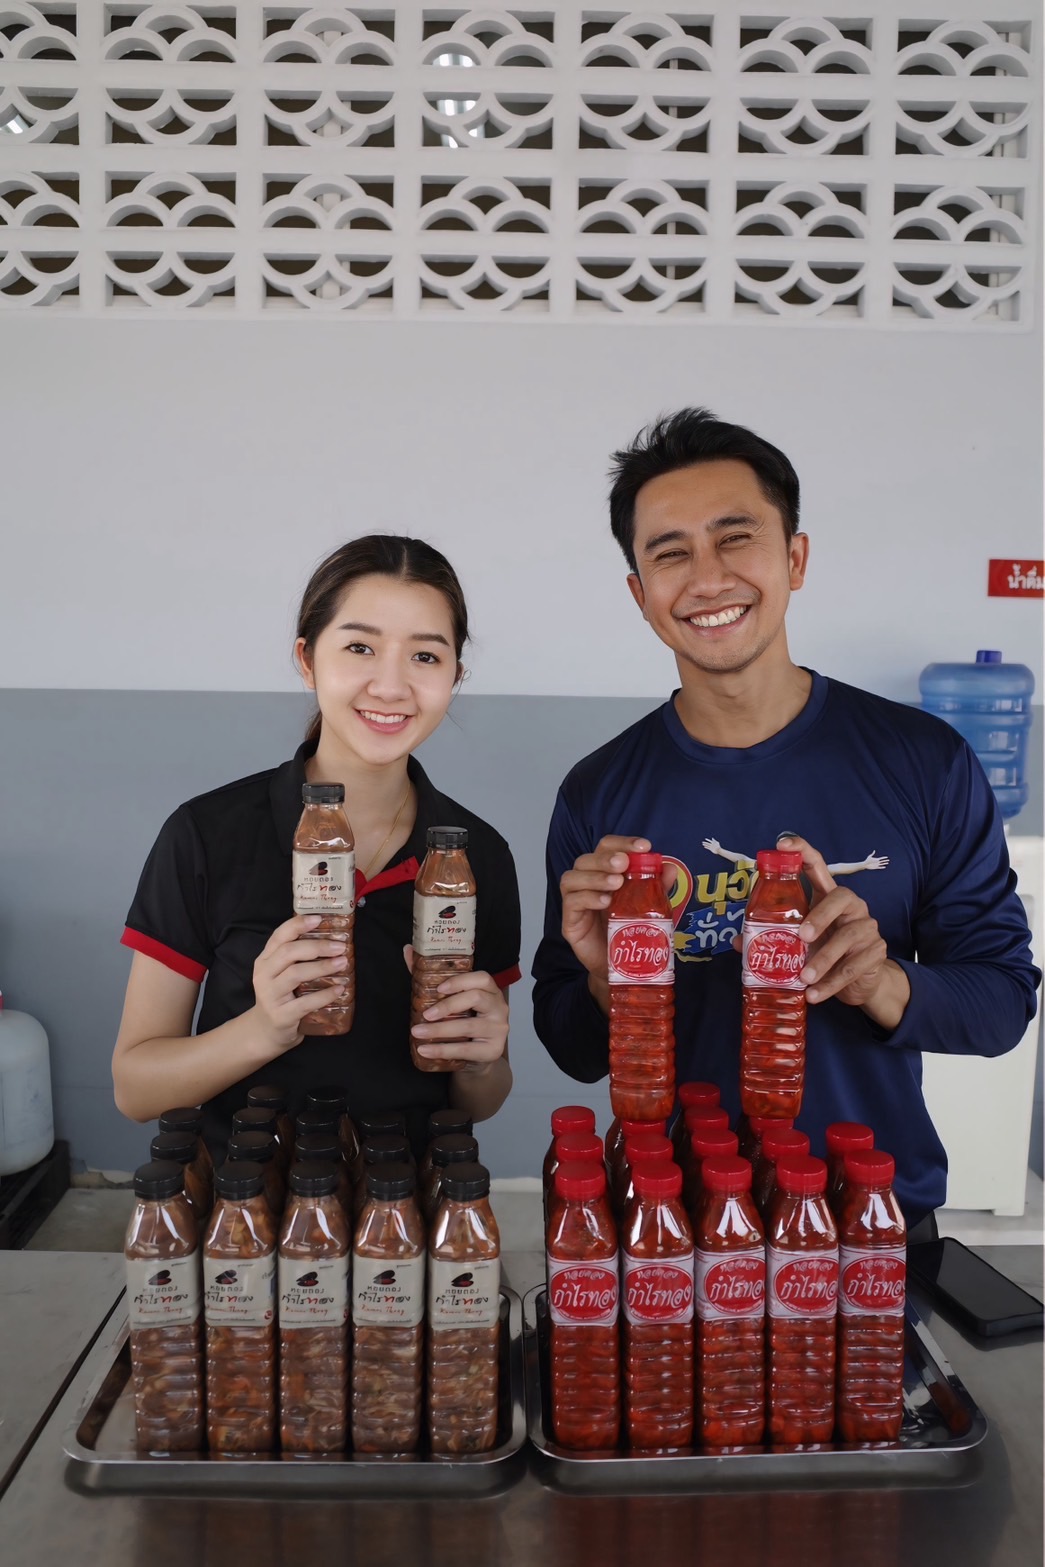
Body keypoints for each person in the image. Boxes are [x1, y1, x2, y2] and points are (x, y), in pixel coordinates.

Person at [532, 408, 1039, 1230]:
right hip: (671, 1227)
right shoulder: (599, 792)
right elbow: (570, 1046)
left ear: (794, 558)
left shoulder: (924, 761)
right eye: (670, 553)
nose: (707, 578)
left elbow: (1001, 1002)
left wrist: (878, 980)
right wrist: (603, 980)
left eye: (735, 538)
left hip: (869, 1223)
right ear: (640, 594)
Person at [113, 535, 521, 1157]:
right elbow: (135, 1090)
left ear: (455, 677)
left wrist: (482, 1062)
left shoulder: (475, 857)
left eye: (425, 656)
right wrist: (264, 1028)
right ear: (307, 659)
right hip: (243, 1197)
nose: (391, 687)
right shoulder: (206, 833)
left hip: (407, 1198)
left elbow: (480, 1101)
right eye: (360, 647)